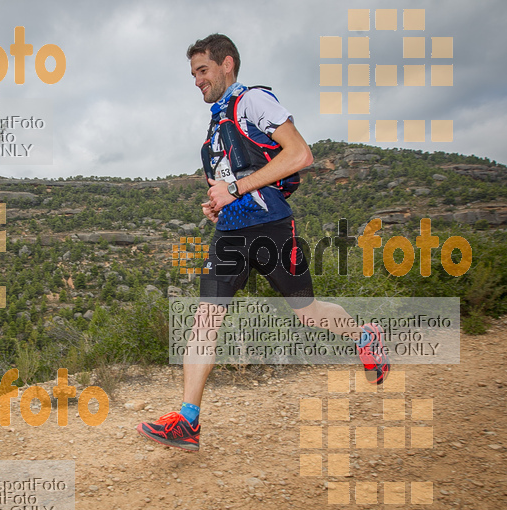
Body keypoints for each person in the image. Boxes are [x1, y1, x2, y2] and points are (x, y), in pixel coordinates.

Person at [136, 34, 390, 452]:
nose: (197, 81)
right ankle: (188, 420)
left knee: (307, 313)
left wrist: (234, 188)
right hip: (230, 235)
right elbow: (234, 179)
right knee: (205, 320)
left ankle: (365, 335)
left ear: (227, 64)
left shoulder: (253, 101)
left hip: (272, 229)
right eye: (193, 74)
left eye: (203, 70)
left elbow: (300, 155)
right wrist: (218, 204)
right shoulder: (217, 122)